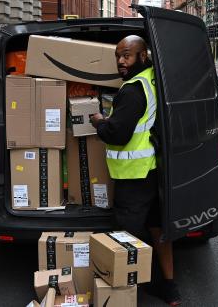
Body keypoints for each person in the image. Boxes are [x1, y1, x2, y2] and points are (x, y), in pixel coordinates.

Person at [90, 35, 181, 306]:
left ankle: (122, 295)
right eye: (118, 55)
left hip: (133, 176)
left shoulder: (131, 90)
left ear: (142, 56)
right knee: (157, 228)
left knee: (124, 237)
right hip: (153, 171)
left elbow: (117, 134)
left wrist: (98, 122)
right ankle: (169, 288)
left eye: (127, 55)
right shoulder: (155, 79)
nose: (120, 61)